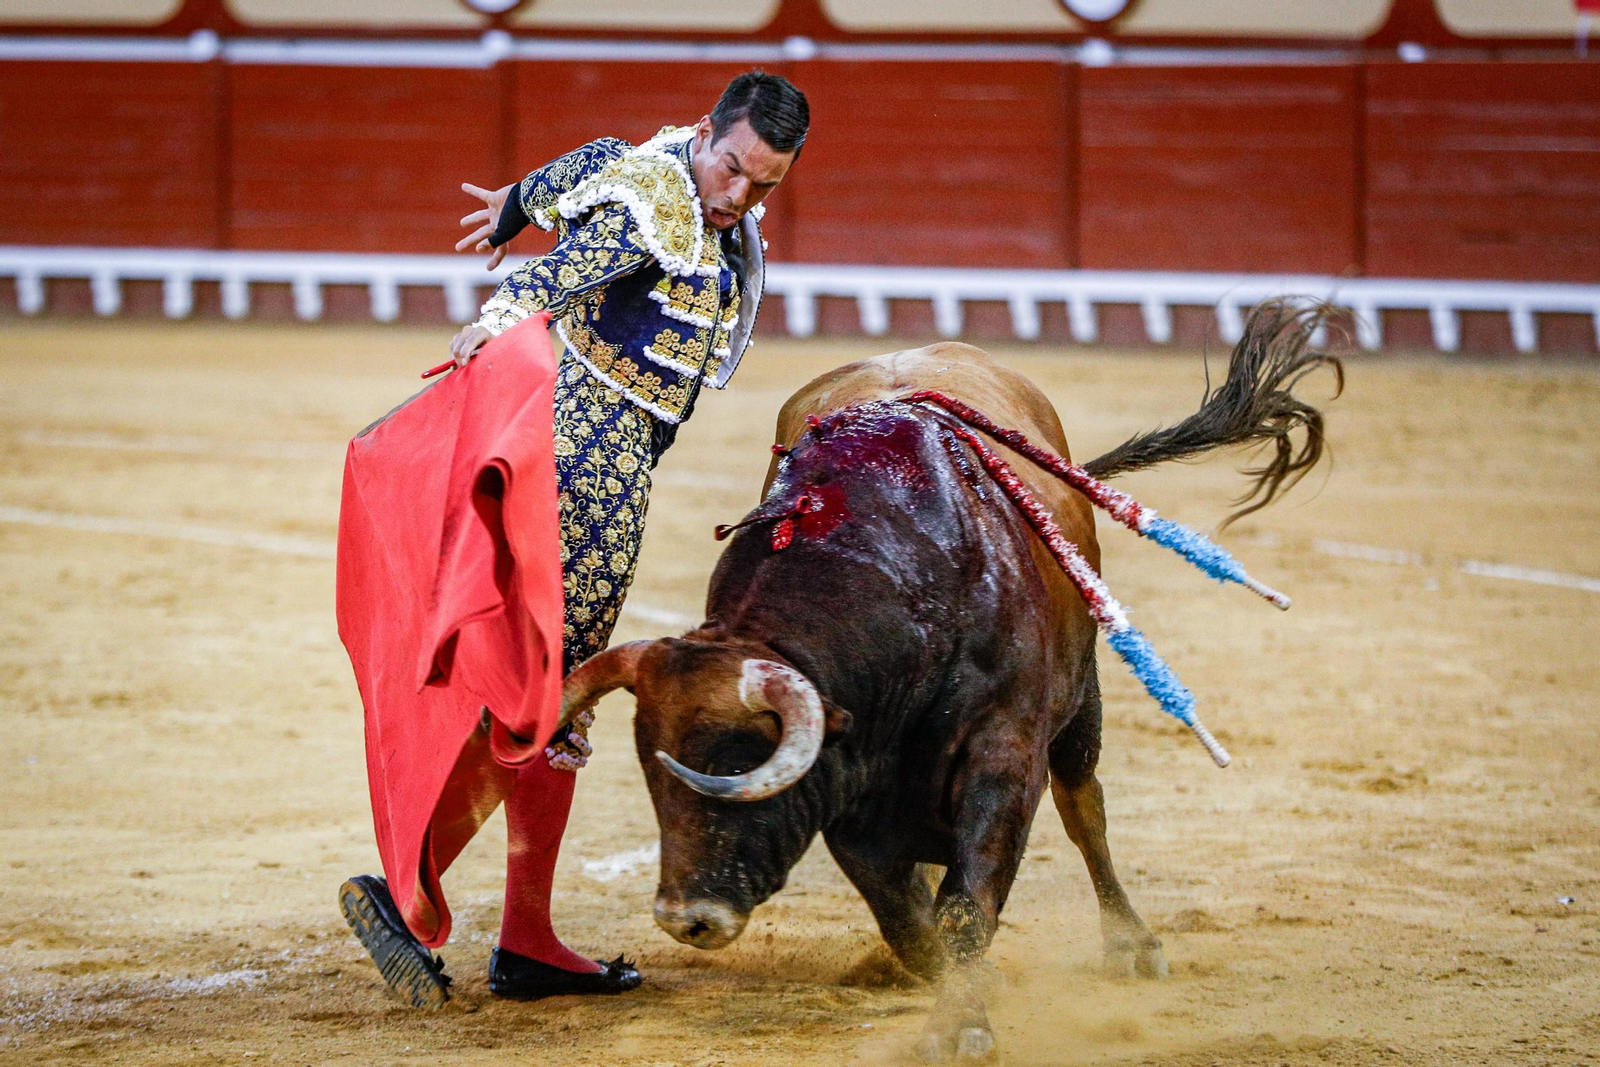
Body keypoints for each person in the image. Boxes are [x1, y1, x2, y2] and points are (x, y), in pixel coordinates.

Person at [337, 70, 809, 1008]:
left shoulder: (662, 165)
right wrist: (499, 320)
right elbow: (567, 268)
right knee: (551, 690)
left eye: (764, 185)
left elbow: (582, 167)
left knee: (551, 686)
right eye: (732, 170)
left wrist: (518, 199)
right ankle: (412, 894)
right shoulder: (657, 205)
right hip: (586, 461)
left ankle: (524, 939)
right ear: (708, 134)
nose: (739, 196)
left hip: (598, 450)